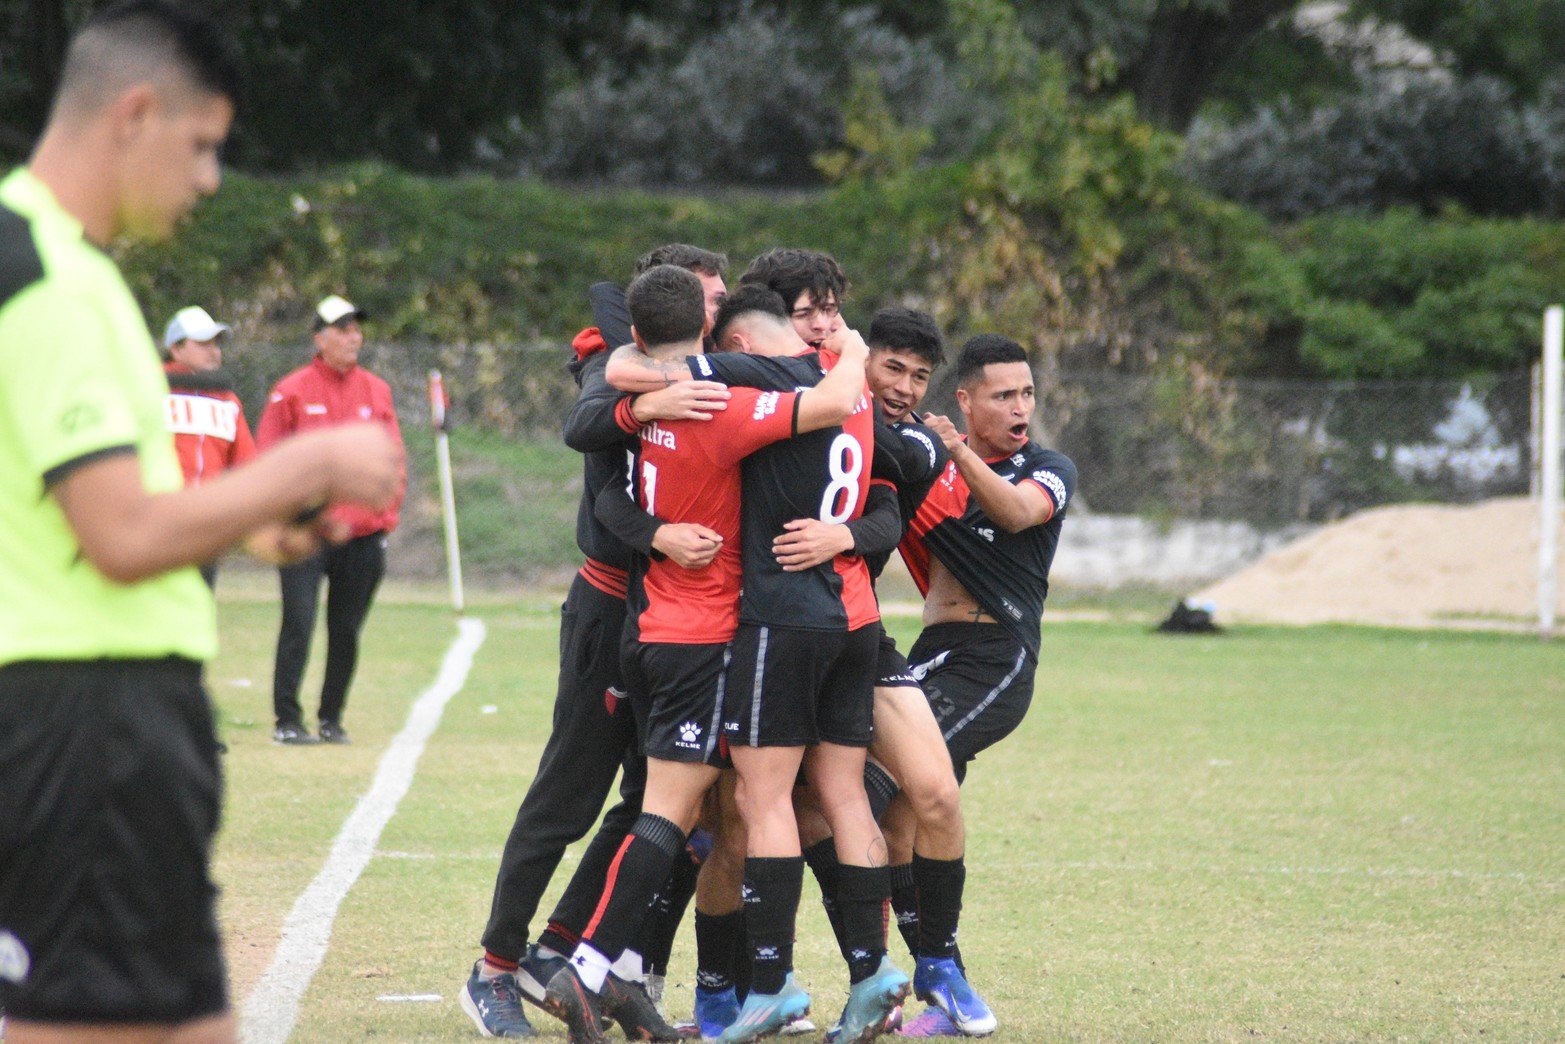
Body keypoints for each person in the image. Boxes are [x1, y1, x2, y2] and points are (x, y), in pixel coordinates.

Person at [0, 5, 402, 1043]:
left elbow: (98, 514)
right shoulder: (43, 281)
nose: (212, 178)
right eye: (203, 144)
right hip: (88, 714)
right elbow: (121, 538)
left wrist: (257, 526)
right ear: (135, 113)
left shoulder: (68, 272)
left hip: (114, 711)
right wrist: (305, 465)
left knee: (191, 1024)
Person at [542, 266, 871, 1044]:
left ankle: (615, 978)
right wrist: (849, 347)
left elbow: (611, 463)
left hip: (654, 623)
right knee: (667, 808)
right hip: (697, 635)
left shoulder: (644, 398)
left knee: (686, 810)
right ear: (710, 321)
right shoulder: (719, 406)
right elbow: (827, 403)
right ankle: (584, 969)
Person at [462, 245, 732, 1040]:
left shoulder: (713, 375)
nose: (713, 313)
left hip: (677, 623)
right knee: (567, 795)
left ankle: (561, 953)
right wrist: (658, 535)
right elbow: (600, 474)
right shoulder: (616, 366)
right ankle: (494, 970)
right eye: (704, 299)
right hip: (611, 608)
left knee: (658, 803)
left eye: (718, 299)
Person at [892, 334, 1076, 1033]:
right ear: (965, 400)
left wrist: (956, 451)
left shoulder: (1046, 468)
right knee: (889, 813)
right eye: (1003, 394)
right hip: (930, 652)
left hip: (994, 658)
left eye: (1026, 392)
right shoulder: (926, 465)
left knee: (891, 784)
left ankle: (937, 973)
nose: (1020, 405)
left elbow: (1019, 512)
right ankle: (945, 984)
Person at [256, 294, 406, 746]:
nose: (352, 337)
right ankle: (287, 719)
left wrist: (384, 513)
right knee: (298, 624)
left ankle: (331, 717)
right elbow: (268, 456)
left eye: (356, 329)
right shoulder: (292, 389)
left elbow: (392, 457)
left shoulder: (376, 390)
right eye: (342, 329)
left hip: (360, 537)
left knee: (345, 630)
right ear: (319, 338)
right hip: (305, 533)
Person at [162, 305, 255, 587]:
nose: (213, 351)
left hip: (206, 524)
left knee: (198, 606)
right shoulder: (149, 387)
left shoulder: (226, 400)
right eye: (203, 343)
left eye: (216, 343)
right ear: (175, 349)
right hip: (158, 521)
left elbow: (245, 463)